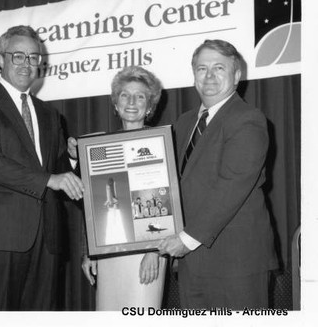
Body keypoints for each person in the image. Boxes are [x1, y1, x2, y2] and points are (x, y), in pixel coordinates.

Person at [0, 25, 84, 311]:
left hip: (47, 236)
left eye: (33, 57)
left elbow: (56, 170)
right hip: (0, 236)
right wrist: (50, 180)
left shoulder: (49, 113)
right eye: (18, 56)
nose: (26, 64)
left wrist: (72, 159)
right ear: (1, 59)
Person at [158, 39, 278, 309]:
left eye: (219, 68)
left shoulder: (247, 118)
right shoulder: (185, 122)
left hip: (236, 261)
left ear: (236, 76)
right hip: (192, 262)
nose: (209, 76)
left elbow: (232, 184)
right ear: (194, 76)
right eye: (202, 68)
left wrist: (186, 240)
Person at [70, 65, 166, 310]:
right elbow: (91, 204)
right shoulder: (100, 148)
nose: (132, 101)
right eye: (125, 95)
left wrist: (155, 252)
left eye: (140, 96)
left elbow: (166, 206)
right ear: (115, 104)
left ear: (150, 106)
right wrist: (90, 252)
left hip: (148, 252)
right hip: (110, 251)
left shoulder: (160, 145)